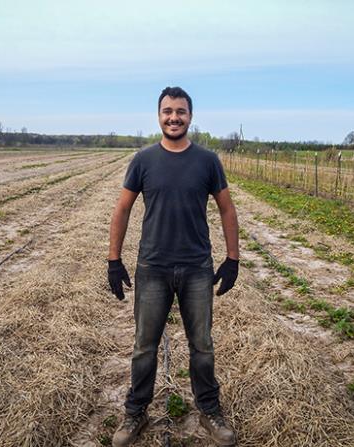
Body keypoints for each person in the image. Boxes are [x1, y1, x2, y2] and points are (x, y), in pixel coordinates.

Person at [107, 86, 240, 446]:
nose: (173, 117)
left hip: (197, 268)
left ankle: (209, 411)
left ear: (190, 116)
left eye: (180, 111)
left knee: (202, 346)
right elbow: (122, 209)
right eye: (167, 111)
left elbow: (227, 209)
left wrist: (232, 259)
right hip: (153, 268)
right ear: (159, 115)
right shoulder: (143, 160)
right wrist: (114, 260)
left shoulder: (208, 161)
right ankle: (135, 413)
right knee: (144, 347)